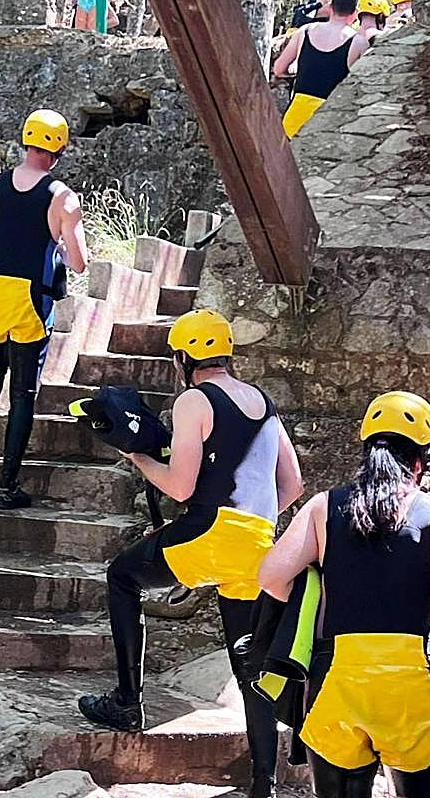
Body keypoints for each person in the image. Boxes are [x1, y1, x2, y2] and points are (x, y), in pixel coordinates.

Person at [78, 309, 304, 798]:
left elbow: (180, 487)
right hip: (259, 544)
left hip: (210, 532)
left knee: (122, 577)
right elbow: (293, 483)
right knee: (250, 667)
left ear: (183, 357)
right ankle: (263, 783)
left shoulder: (194, 400)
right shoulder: (263, 402)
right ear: (226, 353)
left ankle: (126, 702)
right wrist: (252, 524)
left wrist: (138, 457)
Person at [258, 391, 430, 798]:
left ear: (368, 451)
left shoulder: (324, 508)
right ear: (422, 460)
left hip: (337, 682)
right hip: (416, 683)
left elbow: (271, 578)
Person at [0, 109, 87, 509]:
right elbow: (79, 262)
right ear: (60, 149)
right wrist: (61, 249)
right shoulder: (63, 198)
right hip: (31, 300)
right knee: (22, 395)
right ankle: (6, 487)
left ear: (25, 140)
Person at [274, 0, 369, 139]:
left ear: (331, 7)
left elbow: (278, 69)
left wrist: (296, 74)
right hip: (329, 119)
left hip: (296, 117)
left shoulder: (304, 31)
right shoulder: (359, 43)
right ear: (355, 13)